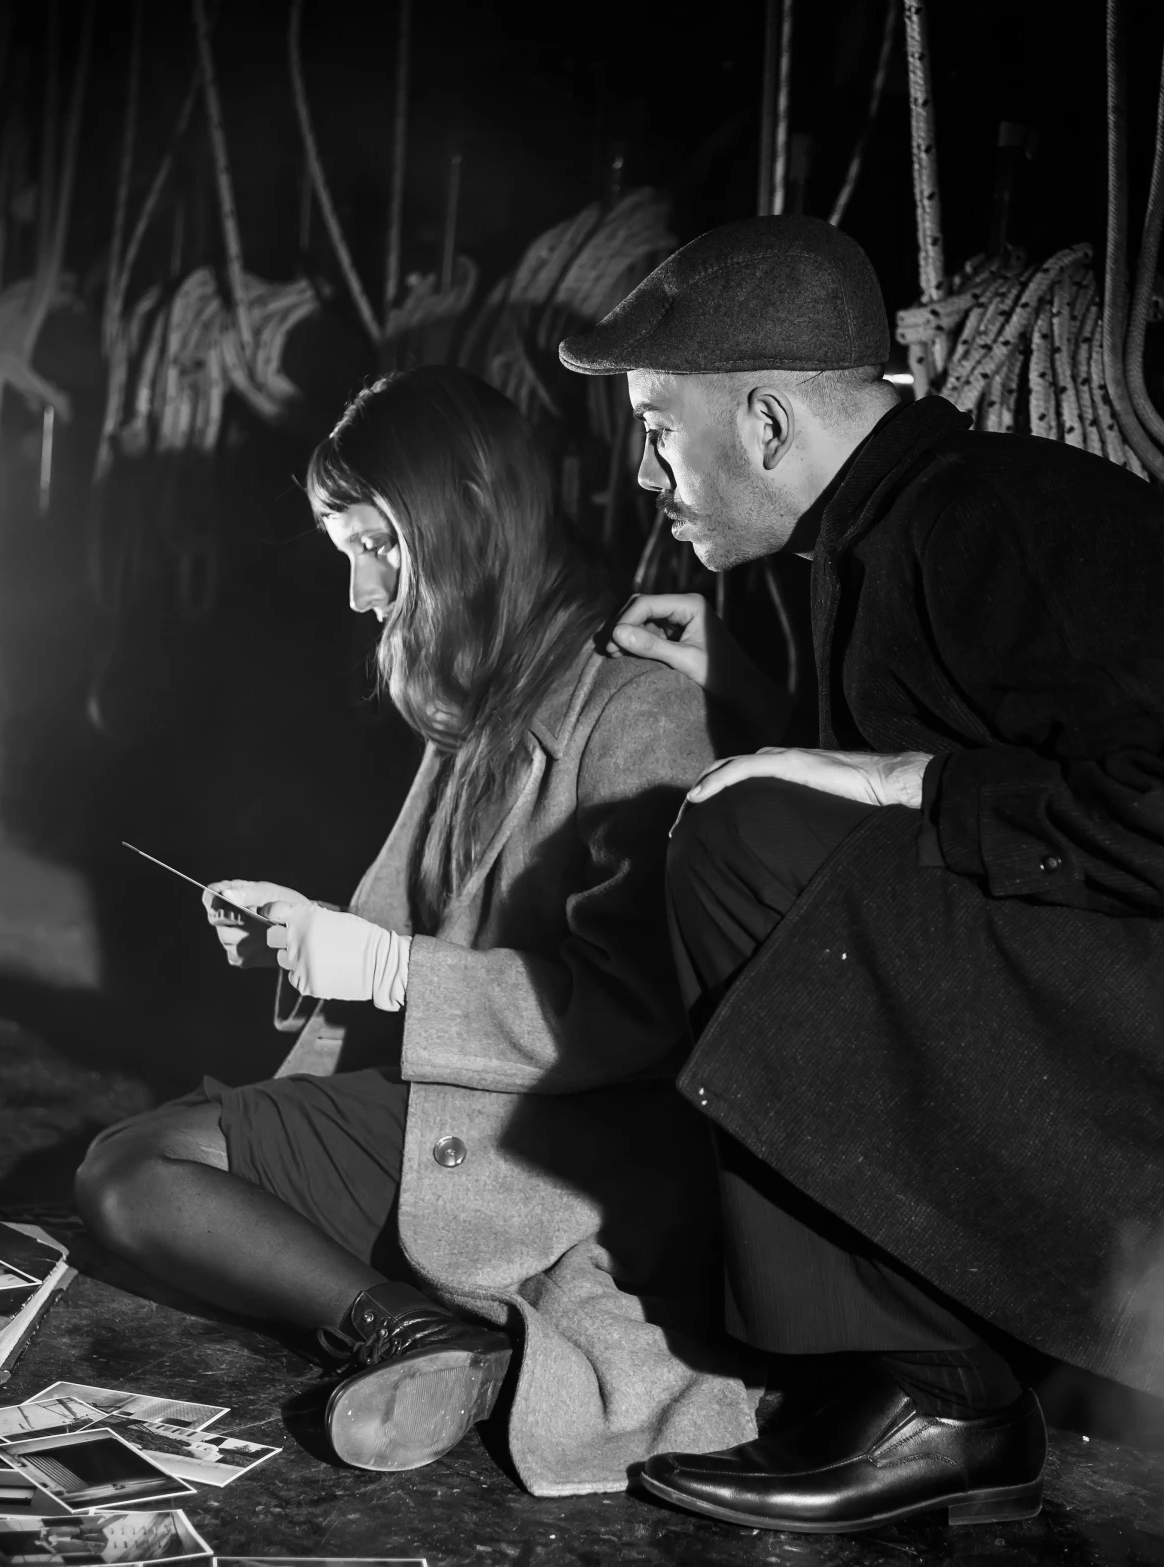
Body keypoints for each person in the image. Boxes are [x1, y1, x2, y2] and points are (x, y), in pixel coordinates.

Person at [563, 217, 1164, 1534]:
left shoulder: (982, 519)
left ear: (760, 423)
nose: (647, 472)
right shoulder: (899, 527)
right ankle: (929, 1360)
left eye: (656, 426)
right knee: (740, 819)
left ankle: (941, 1398)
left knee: (743, 840)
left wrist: (896, 780)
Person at [75, 365, 756, 1493]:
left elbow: (639, 1013)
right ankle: (421, 1324)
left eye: (378, 545)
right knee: (145, 1174)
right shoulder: (492, 692)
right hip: (460, 1100)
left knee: (129, 1172)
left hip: (569, 1139)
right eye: (347, 548)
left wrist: (384, 967)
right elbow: (405, 926)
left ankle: (418, 1333)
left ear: (470, 516)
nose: (360, 591)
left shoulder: (642, 702)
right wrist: (306, 942)